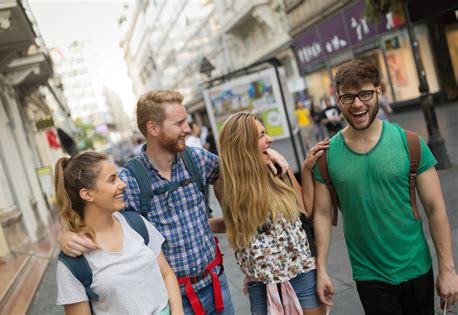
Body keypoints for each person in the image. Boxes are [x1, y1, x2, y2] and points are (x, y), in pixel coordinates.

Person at [58, 90, 289, 314]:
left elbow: (236, 168)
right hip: (173, 295)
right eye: (179, 124)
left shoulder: (195, 159)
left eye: (186, 122)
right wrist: (67, 235)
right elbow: (96, 213)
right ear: (153, 128)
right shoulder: (131, 181)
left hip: (216, 282)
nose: (187, 129)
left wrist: (267, 155)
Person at [312, 59, 458, 314]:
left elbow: (436, 209)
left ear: (379, 91)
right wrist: (321, 269)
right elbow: (323, 214)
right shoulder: (326, 156)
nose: (357, 104)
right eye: (348, 97)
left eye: (365, 93)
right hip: (370, 276)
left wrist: (447, 270)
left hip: (417, 267)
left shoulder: (409, 143)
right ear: (338, 99)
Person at [216, 112, 329, 315]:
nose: (269, 139)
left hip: (300, 273)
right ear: (243, 145)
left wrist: (305, 170)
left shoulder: (279, 169)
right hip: (260, 285)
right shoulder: (228, 185)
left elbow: (306, 209)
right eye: (260, 135)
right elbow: (234, 222)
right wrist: (202, 226)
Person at [54, 152, 183, 315]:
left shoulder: (137, 224)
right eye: (112, 179)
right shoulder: (72, 262)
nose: (122, 184)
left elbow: (167, 274)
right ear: (87, 194)